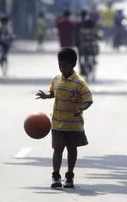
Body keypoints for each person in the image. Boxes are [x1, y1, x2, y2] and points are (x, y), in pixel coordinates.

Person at [36, 47, 94, 189]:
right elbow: (53, 93)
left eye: (66, 65)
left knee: (72, 149)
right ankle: (56, 176)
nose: (62, 68)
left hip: (74, 125)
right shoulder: (56, 79)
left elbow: (89, 100)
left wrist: (82, 107)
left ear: (73, 65)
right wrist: (46, 96)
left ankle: (69, 176)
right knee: (57, 149)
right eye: (60, 64)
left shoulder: (79, 83)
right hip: (57, 123)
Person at [75, 10, 100, 78]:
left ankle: (82, 70)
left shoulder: (79, 25)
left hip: (82, 45)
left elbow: (77, 35)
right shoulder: (92, 30)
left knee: (81, 58)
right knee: (94, 51)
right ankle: (94, 59)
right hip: (89, 46)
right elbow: (97, 36)